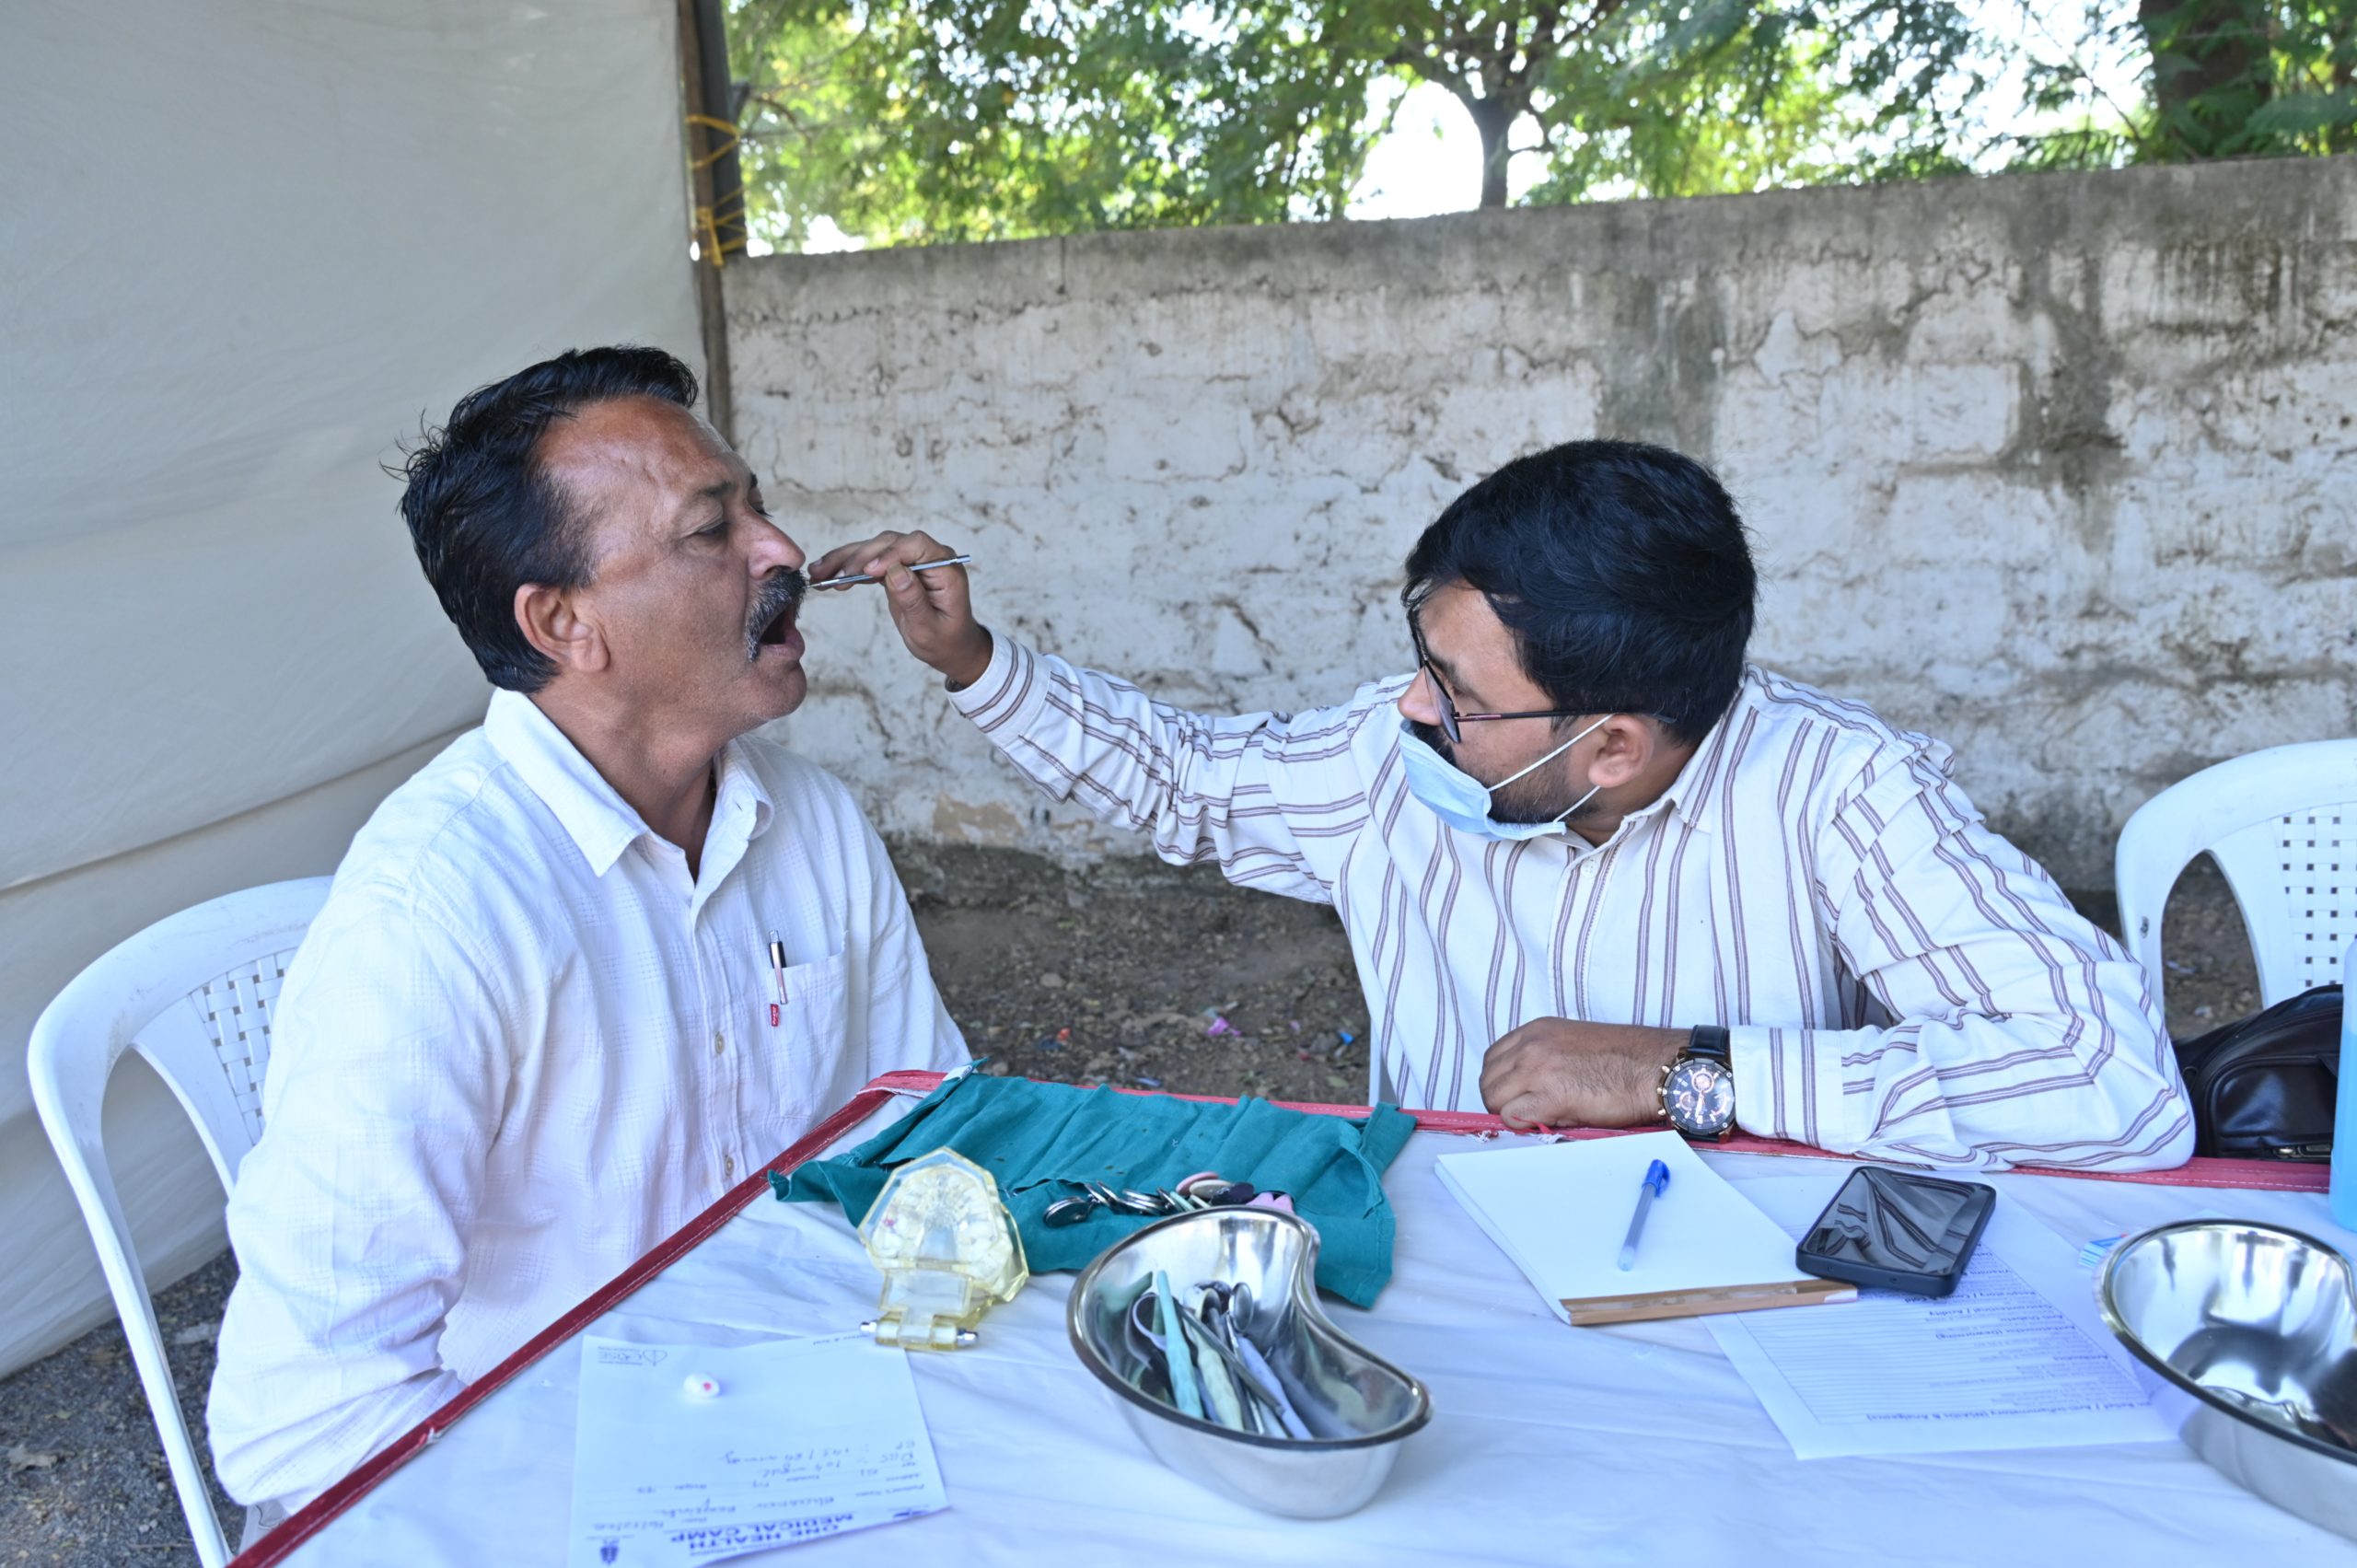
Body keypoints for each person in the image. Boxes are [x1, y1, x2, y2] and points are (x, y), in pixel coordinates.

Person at [814, 438, 2190, 1173]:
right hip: (1448, 1262)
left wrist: (1684, 1071)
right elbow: (1186, 779)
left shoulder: (1840, 788)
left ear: (1611, 745)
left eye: (1459, 694)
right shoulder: (1386, 753)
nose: (1413, 709)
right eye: (1425, 661)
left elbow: (2113, 1084)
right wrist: (975, 662)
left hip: (1746, 1306)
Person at [209, 347, 969, 1515]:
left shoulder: (808, 819)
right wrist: (636, 1496)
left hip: (814, 1411)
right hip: (549, 1478)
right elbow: (310, 1424)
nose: (780, 550)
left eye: (757, 507)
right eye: (711, 530)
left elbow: (929, 1131)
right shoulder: (433, 916)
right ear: (564, 622)